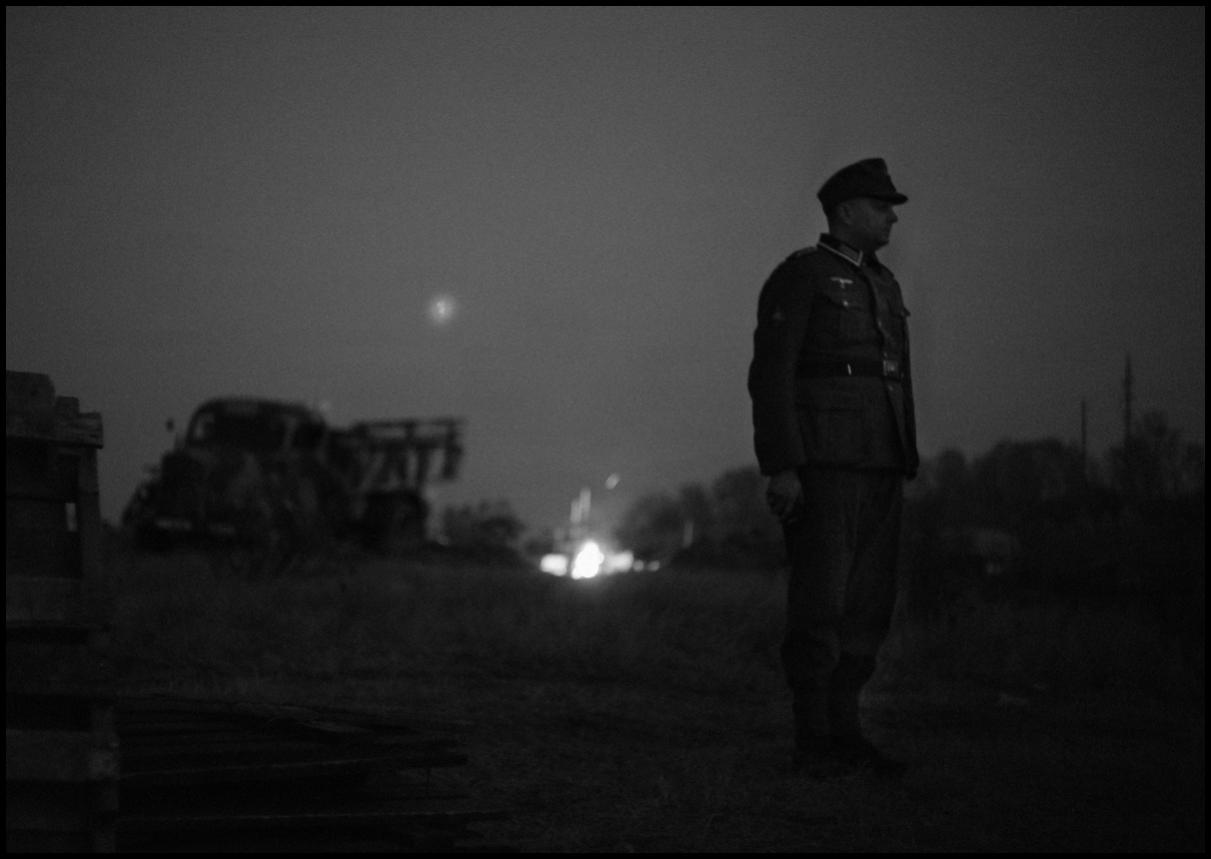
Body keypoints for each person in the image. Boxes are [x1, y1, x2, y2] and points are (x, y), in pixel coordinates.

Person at [747, 157, 918, 776]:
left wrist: (905, 453)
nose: (892, 217)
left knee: (868, 606)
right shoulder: (803, 275)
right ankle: (813, 737)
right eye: (880, 206)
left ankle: (847, 728)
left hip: (881, 462)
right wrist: (783, 466)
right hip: (825, 463)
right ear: (846, 211)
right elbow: (772, 375)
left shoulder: (885, 284)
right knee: (821, 601)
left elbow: (895, 380)